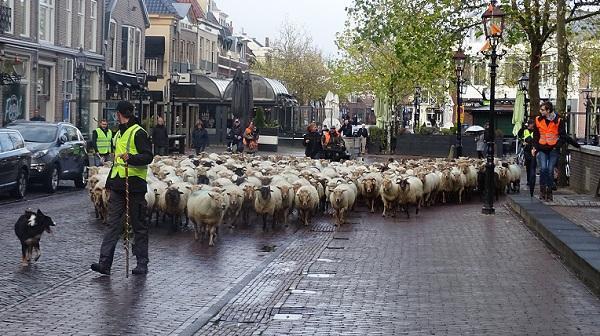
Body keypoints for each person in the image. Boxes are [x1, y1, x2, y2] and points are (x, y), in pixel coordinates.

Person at [91, 101, 154, 276]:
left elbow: (148, 156)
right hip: (118, 185)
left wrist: (132, 158)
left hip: (134, 185)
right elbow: (117, 162)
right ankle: (104, 263)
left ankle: (142, 263)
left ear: (119, 114)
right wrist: (110, 183)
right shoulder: (118, 134)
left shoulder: (138, 133)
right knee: (112, 225)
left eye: (116, 114)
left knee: (138, 225)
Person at [532, 101, 567, 201]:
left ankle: (549, 191)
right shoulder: (538, 120)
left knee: (550, 169)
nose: (540, 111)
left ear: (548, 110)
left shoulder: (558, 120)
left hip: (553, 149)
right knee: (543, 169)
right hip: (542, 148)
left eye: (542, 110)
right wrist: (535, 147)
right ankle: (542, 190)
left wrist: (557, 146)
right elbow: (536, 135)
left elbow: (563, 136)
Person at [518, 118, 536, 196]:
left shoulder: (535, 131)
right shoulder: (524, 130)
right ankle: (529, 180)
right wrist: (522, 142)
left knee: (533, 165)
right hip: (526, 150)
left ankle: (532, 180)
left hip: (534, 150)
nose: (532, 125)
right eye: (531, 124)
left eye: (533, 124)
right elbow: (519, 136)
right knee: (528, 165)